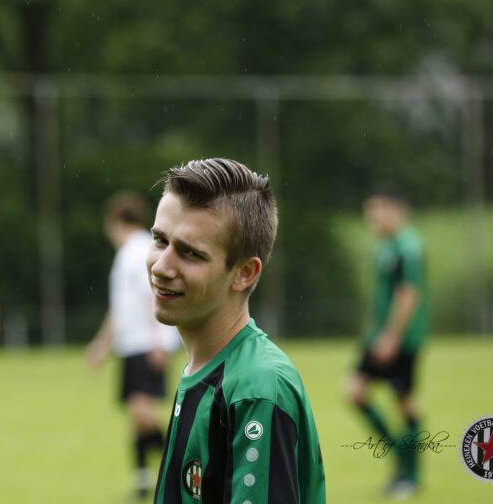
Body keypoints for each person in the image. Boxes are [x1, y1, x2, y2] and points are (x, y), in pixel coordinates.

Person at [148, 158, 325, 503]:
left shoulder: (256, 387)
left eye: (190, 253)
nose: (161, 266)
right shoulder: (206, 369)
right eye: (159, 240)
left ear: (244, 273)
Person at [86, 191, 180, 499]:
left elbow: (152, 295)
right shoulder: (128, 252)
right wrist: (102, 344)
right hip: (131, 344)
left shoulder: (137, 250)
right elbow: (121, 309)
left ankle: (180, 463)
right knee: (135, 413)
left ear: (115, 221)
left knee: (142, 410)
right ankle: (142, 479)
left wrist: (158, 342)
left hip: (145, 343)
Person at [345, 186, 428, 498]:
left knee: (405, 401)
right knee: (354, 392)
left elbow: (409, 293)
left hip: (400, 339)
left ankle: (411, 476)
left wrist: (392, 335)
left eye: (379, 210)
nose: (373, 217)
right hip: (378, 337)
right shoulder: (384, 247)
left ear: (397, 210)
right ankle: (401, 460)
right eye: (370, 212)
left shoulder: (409, 247)